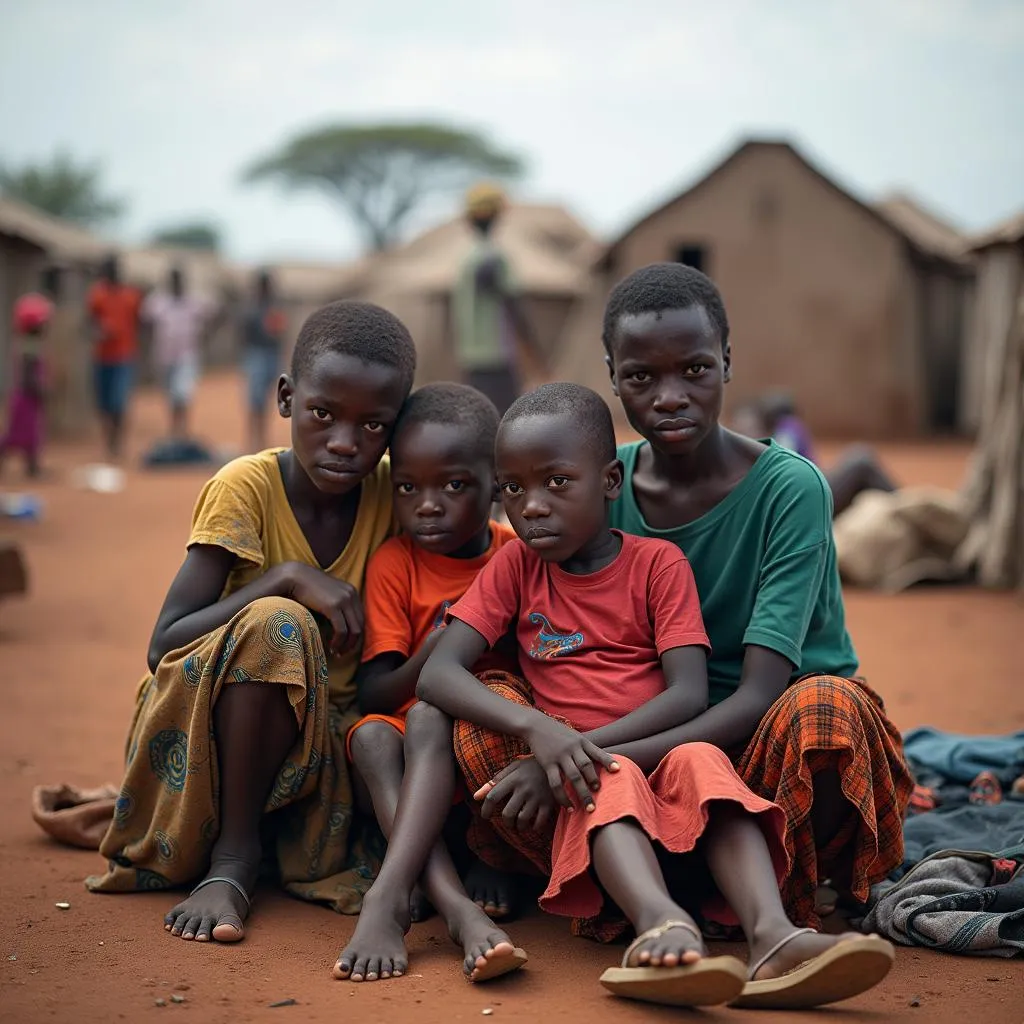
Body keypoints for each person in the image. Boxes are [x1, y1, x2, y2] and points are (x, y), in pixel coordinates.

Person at [339, 382, 896, 1010]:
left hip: (642, 746)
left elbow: (688, 694)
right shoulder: (515, 567)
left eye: (556, 483)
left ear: (610, 481)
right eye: (515, 490)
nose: (534, 508)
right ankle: (660, 924)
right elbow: (439, 676)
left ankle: (772, 933)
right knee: (610, 784)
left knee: (706, 768)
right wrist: (538, 730)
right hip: (584, 774)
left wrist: (578, 745)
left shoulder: (658, 564)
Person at [85, 301, 417, 945]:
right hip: (204, 733)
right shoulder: (246, 487)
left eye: (373, 424)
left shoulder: (395, 494)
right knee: (276, 623)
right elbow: (164, 645)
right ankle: (234, 859)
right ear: (287, 397)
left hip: (325, 745)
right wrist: (284, 578)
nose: (346, 442)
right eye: (323, 414)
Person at [601, 263, 913, 926]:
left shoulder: (790, 491)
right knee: (498, 708)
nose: (669, 396)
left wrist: (597, 758)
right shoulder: (601, 486)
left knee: (827, 708)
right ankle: (676, 885)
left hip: (772, 752)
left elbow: (761, 691)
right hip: (651, 736)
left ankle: (757, 886)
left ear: (726, 362)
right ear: (612, 377)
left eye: (694, 369)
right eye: (640, 377)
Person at [342, 381, 527, 980]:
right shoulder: (395, 564)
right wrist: (432, 653)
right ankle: (450, 905)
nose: (427, 504)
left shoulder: (516, 555)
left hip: (487, 742)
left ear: (495, 486)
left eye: (452, 485)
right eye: (407, 487)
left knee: (470, 719)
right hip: (412, 740)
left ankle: (482, 860)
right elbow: (374, 693)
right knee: (375, 734)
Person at [451, 184, 544, 415]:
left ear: (470, 219)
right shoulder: (494, 258)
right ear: (498, 217)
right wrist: (533, 347)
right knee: (506, 417)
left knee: (478, 415)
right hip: (496, 354)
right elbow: (512, 304)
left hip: (471, 354)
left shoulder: (467, 260)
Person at [732, 393, 898, 517]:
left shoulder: (742, 446)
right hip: (805, 501)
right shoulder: (789, 427)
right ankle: (909, 508)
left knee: (861, 469)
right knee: (862, 460)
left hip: (801, 496)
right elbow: (786, 462)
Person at [141, 266, 215, 439]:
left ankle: (182, 430)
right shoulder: (157, 302)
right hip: (164, 356)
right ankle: (174, 429)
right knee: (170, 394)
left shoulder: (194, 302)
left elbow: (216, 314)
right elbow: (145, 323)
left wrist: (206, 336)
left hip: (186, 355)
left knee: (182, 392)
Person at [87, 255, 142, 461]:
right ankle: (108, 441)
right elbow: (89, 322)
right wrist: (99, 331)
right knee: (103, 404)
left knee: (119, 401)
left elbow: (140, 323)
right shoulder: (97, 295)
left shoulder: (131, 296)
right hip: (102, 356)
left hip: (124, 356)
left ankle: (117, 443)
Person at [0, 293, 51, 479]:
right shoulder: (30, 347)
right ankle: (31, 467)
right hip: (26, 397)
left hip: (27, 397)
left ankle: (33, 467)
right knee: (19, 434)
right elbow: (29, 375)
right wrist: (40, 390)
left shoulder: (30, 344)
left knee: (33, 435)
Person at [241, 269, 287, 452]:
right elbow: (244, 334)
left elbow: (279, 333)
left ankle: (261, 438)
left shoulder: (273, 309)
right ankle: (254, 440)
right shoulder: (251, 309)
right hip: (256, 355)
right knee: (255, 399)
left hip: (270, 355)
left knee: (266, 399)